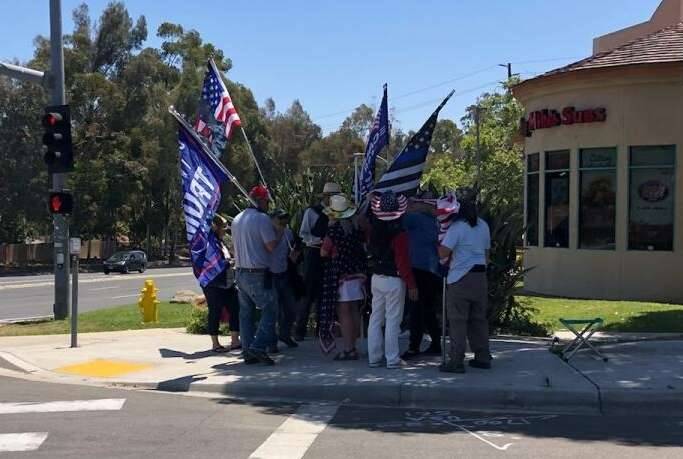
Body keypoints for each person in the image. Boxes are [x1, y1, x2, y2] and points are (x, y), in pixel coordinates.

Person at [438, 194, 491, 374]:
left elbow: (443, 253)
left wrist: (435, 244)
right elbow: (486, 254)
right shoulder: (483, 225)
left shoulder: (457, 228)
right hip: (480, 276)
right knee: (478, 320)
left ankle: (456, 360)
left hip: (460, 277)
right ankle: (482, 356)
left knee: (458, 320)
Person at [232, 185, 283, 365]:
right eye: (267, 201)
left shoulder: (237, 219)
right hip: (257, 273)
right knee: (270, 310)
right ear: (260, 200)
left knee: (246, 314)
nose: (268, 205)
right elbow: (270, 246)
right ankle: (258, 347)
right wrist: (279, 230)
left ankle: (247, 351)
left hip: (240, 272)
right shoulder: (262, 219)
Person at [367, 191, 418, 369]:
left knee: (375, 318)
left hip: (376, 276)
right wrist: (411, 284)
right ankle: (392, 358)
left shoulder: (374, 231)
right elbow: (402, 262)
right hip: (393, 278)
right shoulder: (400, 234)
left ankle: (374, 357)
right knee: (392, 320)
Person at [319, 194, 366, 360]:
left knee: (343, 311)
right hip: (356, 273)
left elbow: (324, 251)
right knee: (354, 309)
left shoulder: (334, 231)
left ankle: (348, 348)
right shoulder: (354, 229)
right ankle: (353, 345)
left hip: (341, 274)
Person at [296, 182, 341, 341]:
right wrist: (319, 241)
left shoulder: (339, 212)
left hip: (331, 257)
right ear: (327, 197)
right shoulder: (312, 212)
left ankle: (322, 329)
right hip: (314, 254)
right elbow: (303, 234)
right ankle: (300, 330)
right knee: (307, 293)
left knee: (326, 293)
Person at [401, 193, 442, 359]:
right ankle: (436, 343)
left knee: (416, 308)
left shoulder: (415, 219)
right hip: (433, 269)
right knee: (428, 309)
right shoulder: (436, 222)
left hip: (418, 268)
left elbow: (397, 221)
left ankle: (413, 346)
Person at [201, 214, 240, 352]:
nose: (225, 230)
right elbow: (213, 263)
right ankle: (215, 343)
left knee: (235, 308)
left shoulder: (221, 242)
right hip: (213, 283)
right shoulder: (209, 243)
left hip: (228, 281)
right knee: (215, 311)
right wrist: (229, 262)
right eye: (223, 227)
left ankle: (235, 340)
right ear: (215, 227)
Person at [269, 208, 299, 349]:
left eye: (284, 218)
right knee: (273, 310)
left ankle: (285, 334)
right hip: (271, 274)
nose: (283, 222)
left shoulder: (288, 233)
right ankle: (272, 341)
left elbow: (292, 249)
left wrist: (294, 255)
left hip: (284, 273)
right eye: (279, 219)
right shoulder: (268, 232)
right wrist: (279, 232)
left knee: (290, 308)